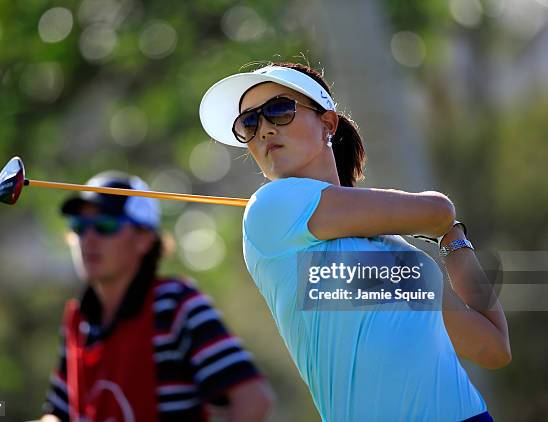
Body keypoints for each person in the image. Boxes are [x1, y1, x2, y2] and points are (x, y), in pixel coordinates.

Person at [199, 62, 511, 421]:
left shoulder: (397, 253)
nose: (264, 130)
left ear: (327, 124)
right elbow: (437, 208)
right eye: (249, 124)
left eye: (279, 110)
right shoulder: (270, 208)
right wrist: (442, 220)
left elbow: (492, 346)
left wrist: (454, 239)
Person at [40, 171, 273, 422]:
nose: (88, 239)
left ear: (144, 239)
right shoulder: (78, 319)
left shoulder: (176, 304)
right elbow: (58, 414)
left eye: (106, 225)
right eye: (79, 227)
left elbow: (253, 398)